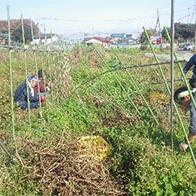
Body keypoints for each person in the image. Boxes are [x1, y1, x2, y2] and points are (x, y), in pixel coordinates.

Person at [174, 86, 196, 151]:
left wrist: (186, 143)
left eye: (181, 102)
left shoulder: (193, 104)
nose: (181, 105)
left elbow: (194, 129)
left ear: (187, 97)